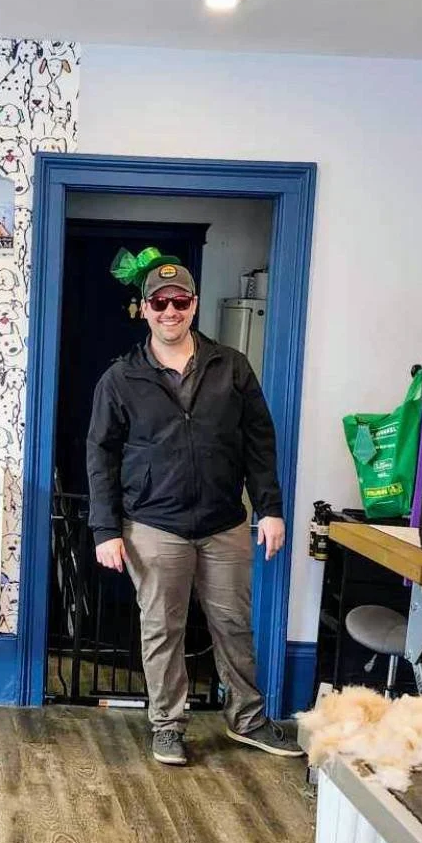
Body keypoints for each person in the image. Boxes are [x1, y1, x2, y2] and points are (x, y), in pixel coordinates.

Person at [87, 257, 304, 766]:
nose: (170, 310)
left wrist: (270, 509)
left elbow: (259, 443)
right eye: (159, 302)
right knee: (163, 628)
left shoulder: (232, 367)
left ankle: (248, 720)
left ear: (194, 304)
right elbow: (100, 456)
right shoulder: (121, 378)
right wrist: (104, 529)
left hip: (224, 522)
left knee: (234, 625)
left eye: (179, 301)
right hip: (153, 524)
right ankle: (167, 726)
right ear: (144, 309)